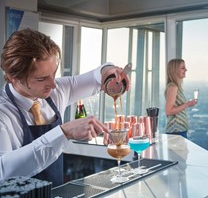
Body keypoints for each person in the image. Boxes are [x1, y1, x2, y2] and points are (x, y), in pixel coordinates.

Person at [0, 28, 130, 187]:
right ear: (14, 78)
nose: (53, 84)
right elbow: (3, 170)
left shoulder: (57, 91)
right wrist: (64, 132)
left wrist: (108, 72)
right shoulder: (3, 112)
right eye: (42, 79)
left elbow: (97, 77)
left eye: (54, 73)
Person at [165, 58, 197, 138]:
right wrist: (187, 104)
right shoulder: (173, 87)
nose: (186, 70)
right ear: (175, 70)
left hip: (179, 129)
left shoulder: (176, 87)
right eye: (183, 68)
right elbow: (169, 111)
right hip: (176, 130)